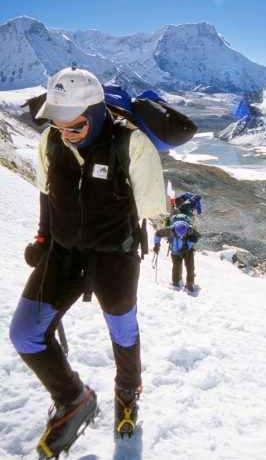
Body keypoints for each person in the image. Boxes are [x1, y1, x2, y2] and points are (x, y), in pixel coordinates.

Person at [9, 67, 166, 458]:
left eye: (74, 126)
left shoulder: (132, 146)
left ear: (96, 114)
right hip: (63, 251)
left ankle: (127, 392)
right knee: (25, 334)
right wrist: (43, 238)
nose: (64, 132)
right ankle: (74, 399)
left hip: (115, 255)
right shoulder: (50, 141)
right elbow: (48, 193)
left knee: (122, 330)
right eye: (57, 123)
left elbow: (152, 210)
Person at [153, 192, 201, 294]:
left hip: (188, 250)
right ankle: (176, 282)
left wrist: (193, 240)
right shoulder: (169, 230)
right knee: (176, 266)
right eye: (179, 235)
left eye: (183, 236)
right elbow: (157, 234)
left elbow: (198, 236)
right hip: (175, 250)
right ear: (174, 230)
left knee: (190, 267)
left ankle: (190, 284)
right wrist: (156, 245)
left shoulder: (190, 229)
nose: (181, 237)